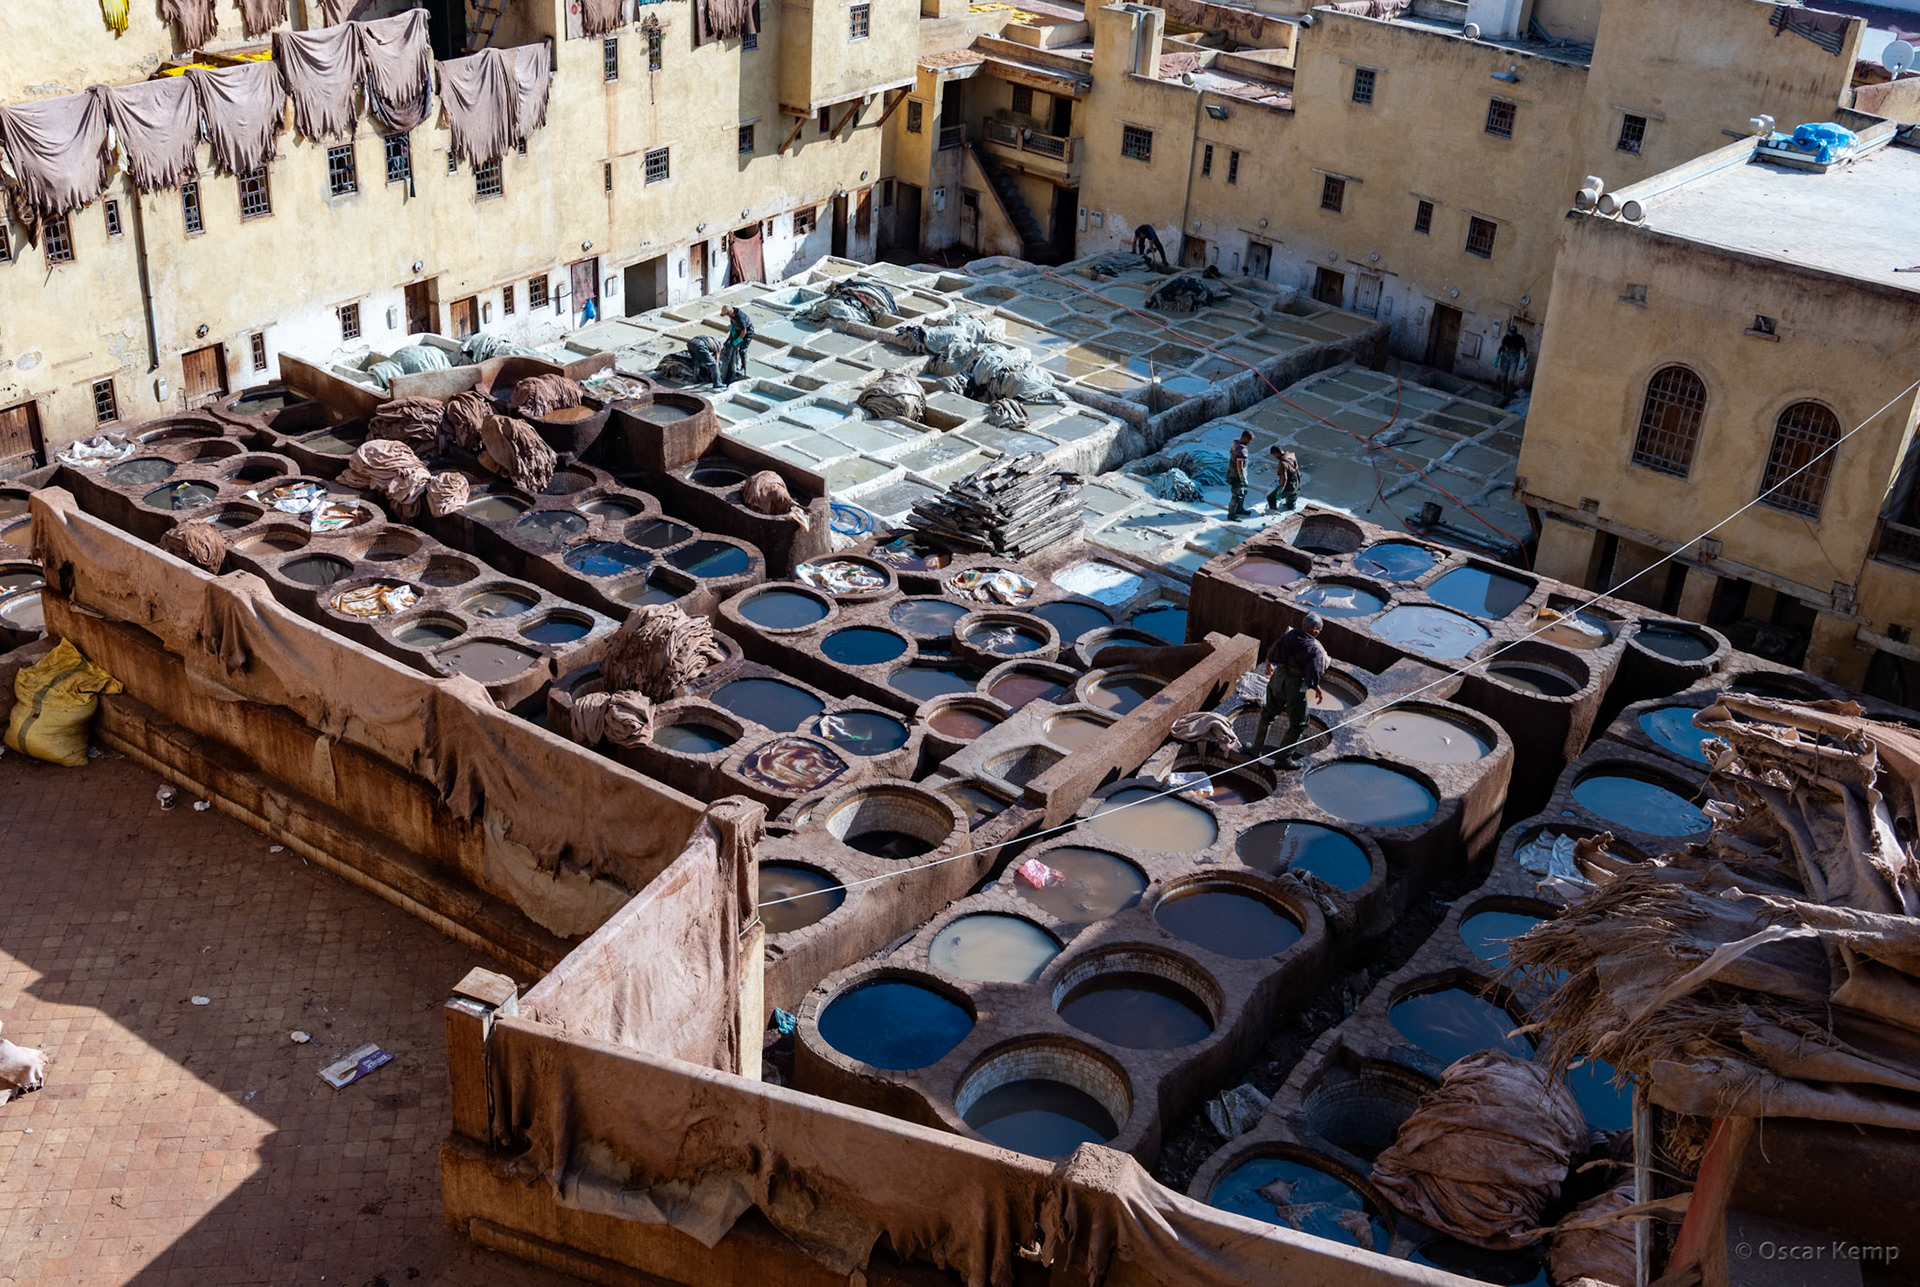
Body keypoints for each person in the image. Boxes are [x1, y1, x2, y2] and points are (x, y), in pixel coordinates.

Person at [1253, 612, 1328, 769]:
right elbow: (1312, 676)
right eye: (1318, 629)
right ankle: (1283, 759)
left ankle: (1255, 749)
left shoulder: (1289, 635)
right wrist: (1318, 689)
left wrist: (1268, 663)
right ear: (1313, 629)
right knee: (1299, 724)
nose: (1319, 633)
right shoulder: (1314, 648)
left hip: (1278, 677)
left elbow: (1273, 651)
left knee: (1267, 713)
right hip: (1295, 684)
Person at [719, 305, 755, 384]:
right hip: (738, 330)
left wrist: (738, 340)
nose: (727, 316)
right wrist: (732, 329)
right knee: (728, 343)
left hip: (747, 333)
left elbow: (744, 331)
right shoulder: (732, 314)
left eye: (727, 314)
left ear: (730, 312)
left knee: (742, 350)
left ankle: (743, 367)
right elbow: (731, 320)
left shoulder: (740, 317)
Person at [1226, 429, 1253, 521]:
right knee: (1236, 495)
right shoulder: (1241, 450)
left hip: (1233, 472)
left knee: (1242, 493)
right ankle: (1232, 515)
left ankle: (1240, 509)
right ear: (1245, 438)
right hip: (1237, 476)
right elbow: (1239, 466)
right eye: (1249, 440)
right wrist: (1243, 479)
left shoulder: (1235, 441)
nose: (1249, 443)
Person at [1495, 323, 1528, 398]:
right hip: (1505, 355)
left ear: (1516, 332)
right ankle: (1503, 392)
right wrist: (1497, 358)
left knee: (1511, 378)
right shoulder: (1507, 337)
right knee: (1503, 376)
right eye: (1511, 332)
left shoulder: (1520, 338)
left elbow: (1525, 349)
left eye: (1513, 333)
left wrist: (1524, 361)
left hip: (1514, 356)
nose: (1512, 334)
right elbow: (1501, 347)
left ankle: (1508, 393)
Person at [1267, 446, 1300, 514]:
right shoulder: (1291, 455)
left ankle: (1273, 512)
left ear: (1275, 453)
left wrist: (1279, 492)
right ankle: (1291, 506)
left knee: (1270, 498)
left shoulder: (1282, 463)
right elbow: (1296, 468)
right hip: (1297, 482)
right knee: (1292, 494)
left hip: (1289, 486)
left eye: (1273, 455)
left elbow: (1284, 479)